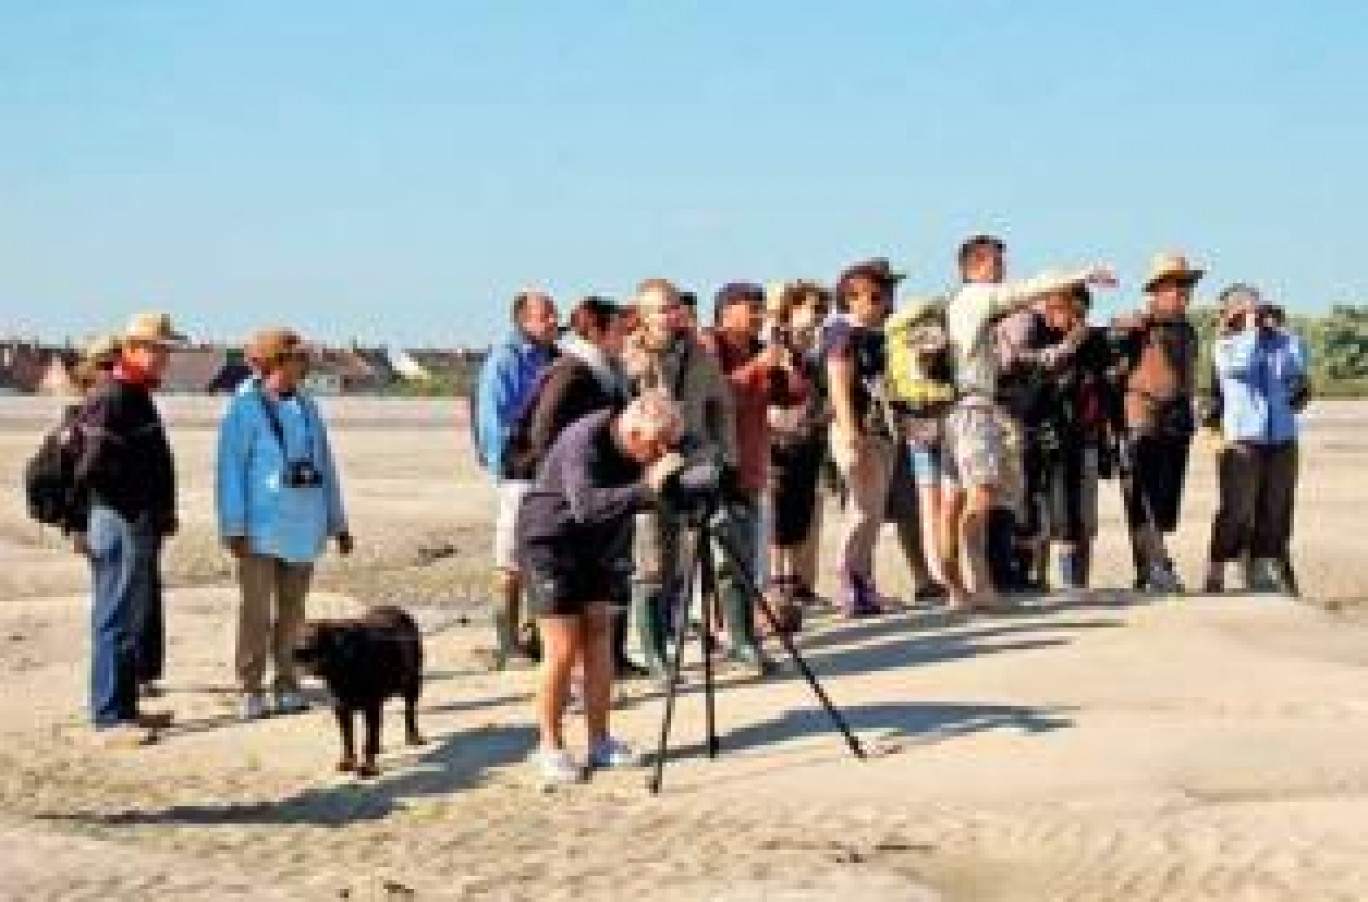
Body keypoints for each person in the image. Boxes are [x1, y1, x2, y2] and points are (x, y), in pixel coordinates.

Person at [516, 391, 686, 786]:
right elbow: (586, 506)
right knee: (561, 648)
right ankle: (550, 747)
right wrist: (647, 488)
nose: (661, 452)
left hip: (599, 544)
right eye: (656, 445)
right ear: (634, 432)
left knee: (599, 637)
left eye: (667, 445)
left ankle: (600, 740)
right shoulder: (584, 439)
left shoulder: (646, 443)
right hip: (550, 539)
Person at [940, 235, 1115, 611]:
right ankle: (982, 587)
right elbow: (1026, 291)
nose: (1004, 272)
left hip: (958, 410)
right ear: (978, 266)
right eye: (998, 264)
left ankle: (956, 587)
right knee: (979, 497)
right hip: (974, 409)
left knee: (954, 502)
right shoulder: (976, 296)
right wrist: (1082, 274)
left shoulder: (958, 303)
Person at [217, 328, 353, 720]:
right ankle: (249, 686)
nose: (305, 365)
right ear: (276, 362)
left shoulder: (310, 408)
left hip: (304, 523)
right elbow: (230, 472)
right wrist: (234, 527)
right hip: (258, 529)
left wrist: (338, 522)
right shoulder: (244, 409)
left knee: (293, 613)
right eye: (298, 358)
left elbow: (325, 465)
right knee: (256, 613)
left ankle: (288, 682)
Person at [505, 296, 646, 675]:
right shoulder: (572, 370)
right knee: (569, 611)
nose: (625, 337)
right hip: (567, 501)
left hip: (601, 494)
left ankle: (609, 661)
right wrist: (572, 476)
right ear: (596, 331)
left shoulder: (605, 370)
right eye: (618, 330)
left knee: (606, 586)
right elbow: (544, 432)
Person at [72, 312, 185, 746]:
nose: (165, 359)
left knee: (130, 614)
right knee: (114, 615)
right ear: (134, 348)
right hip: (119, 520)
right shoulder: (114, 394)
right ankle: (108, 716)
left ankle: (125, 709)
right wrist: (137, 511)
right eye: (159, 350)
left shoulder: (135, 393)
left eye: (167, 351)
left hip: (133, 520)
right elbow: (95, 467)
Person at [623, 279, 738, 679]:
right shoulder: (629, 357)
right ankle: (655, 653)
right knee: (653, 560)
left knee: (715, 553)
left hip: (696, 464)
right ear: (643, 316)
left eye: (676, 306)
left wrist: (725, 456)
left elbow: (721, 405)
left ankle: (737, 639)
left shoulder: (700, 354)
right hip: (650, 470)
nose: (673, 314)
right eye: (662, 309)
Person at [702, 282, 808, 646]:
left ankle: (744, 631)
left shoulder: (760, 348)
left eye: (762, 306)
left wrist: (789, 358)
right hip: (717, 465)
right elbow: (716, 395)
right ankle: (723, 629)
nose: (759, 314)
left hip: (752, 463)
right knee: (723, 555)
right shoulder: (709, 344)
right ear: (727, 310)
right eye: (752, 307)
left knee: (747, 553)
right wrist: (755, 367)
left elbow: (793, 396)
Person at [473, 290, 561, 668]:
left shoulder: (552, 357)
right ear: (523, 321)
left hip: (549, 469)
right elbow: (493, 420)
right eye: (546, 316)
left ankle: (534, 635)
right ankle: (507, 642)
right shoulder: (504, 360)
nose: (554, 321)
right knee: (510, 559)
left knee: (542, 555)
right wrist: (509, 467)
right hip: (519, 471)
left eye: (554, 314)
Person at [1204, 284, 1308, 595]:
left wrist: (1281, 332)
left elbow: (1296, 368)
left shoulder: (1280, 343)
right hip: (1243, 439)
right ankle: (1218, 566)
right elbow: (1240, 365)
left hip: (1282, 438)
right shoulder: (1225, 346)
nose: (1257, 316)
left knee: (1276, 507)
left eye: (1259, 310)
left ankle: (1264, 568)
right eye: (1248, 311)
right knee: (1237, 509)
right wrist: (1248, 328)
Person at [1110, 253, 1203, 592]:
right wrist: (1128, 324)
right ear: (1158, 289)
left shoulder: (1189, 331)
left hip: (1176, 420)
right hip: (1141, 419)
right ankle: (1158, 564)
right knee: (1143, 496)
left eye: (1186, 286)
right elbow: (1113, 337)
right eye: (1176, 285)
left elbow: (1189, 376)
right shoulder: (1139, 323)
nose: (1183, 292)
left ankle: (1148, 569)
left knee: (1165, 500)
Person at [823, 260, 901, 617]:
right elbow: (839, 383)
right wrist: (851, 430)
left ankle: (864, 581)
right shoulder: (843, 333)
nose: (887, 300)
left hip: (880, 429)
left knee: (872, 510)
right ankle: (848, 581)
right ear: (853, 298)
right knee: (861, 508)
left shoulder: (879, 334)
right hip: (857, 430)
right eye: (879, 294)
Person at [1028, 285, 1115, 590]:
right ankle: (1037, 578)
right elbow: (1035, 382)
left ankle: (1078, 583)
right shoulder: (1039, 339)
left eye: (1081, 312)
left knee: (1084, 519)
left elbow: (1106, 381)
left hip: (1086, 438)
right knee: (1047, 514)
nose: (1075, 318)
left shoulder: (1094, 342)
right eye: (1067, 311)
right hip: (1048, 439)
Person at [767, 281, 833, 615]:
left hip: (809, 435)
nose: (818, 315)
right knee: (779, 516)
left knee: (801, 513)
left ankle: (797, 583)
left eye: (823, 309)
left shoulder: (817, 346)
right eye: (812, 308)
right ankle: (777, 586)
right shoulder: (777, 342)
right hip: (779, 437)